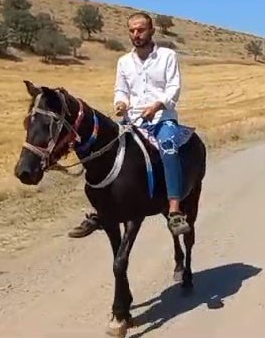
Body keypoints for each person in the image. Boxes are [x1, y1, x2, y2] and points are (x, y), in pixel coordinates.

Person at [67, 12, 190, 237]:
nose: (136, 34)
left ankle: (174, 209)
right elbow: (120, 89)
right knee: (100, 152)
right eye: (132, 30)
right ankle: (99, 210)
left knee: (169, 146)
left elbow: (174, 87)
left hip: (162, 120)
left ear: (151, 31)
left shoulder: (167, 56)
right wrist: (121, 102)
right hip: (132, 121)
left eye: (141, 29)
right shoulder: (124, 61)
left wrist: (158, 105)